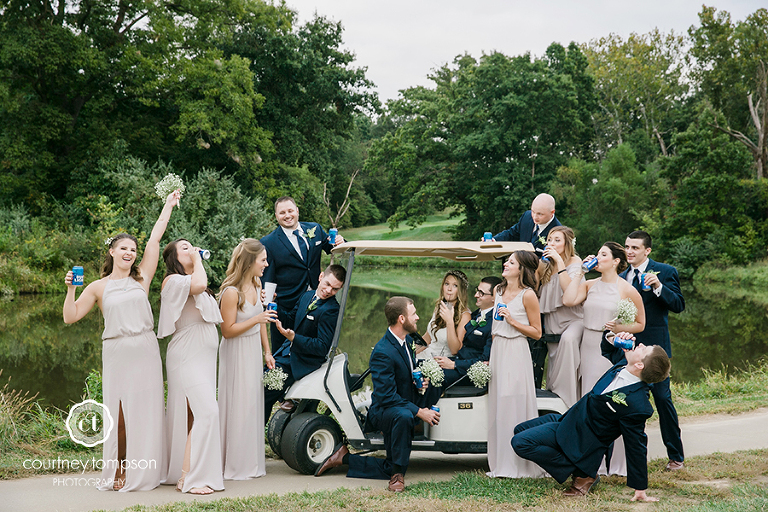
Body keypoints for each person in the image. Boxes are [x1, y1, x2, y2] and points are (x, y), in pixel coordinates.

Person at [62, 190, 180, 492]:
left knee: (147, 410)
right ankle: (120, 468)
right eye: (124, 248)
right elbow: (70, 317)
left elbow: (155, 240)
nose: (130, 252)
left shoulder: (142, 279)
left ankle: (146, 469)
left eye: (133, 249)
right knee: (121, 414)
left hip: (145, 348)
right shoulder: (98, 287)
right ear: (112, 252)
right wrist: (70, 290)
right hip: (116, 352)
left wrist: (167, 205)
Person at [512, 331, 670, 502]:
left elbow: (636, 446)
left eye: (644, 349)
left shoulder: (638, 405)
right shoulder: (624, 364)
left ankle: (582, 471)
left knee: (520, 443)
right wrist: (612, 337)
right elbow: (607, 348)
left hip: (582, 438)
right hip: (570, 419)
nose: (640, 344)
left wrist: (640, 488)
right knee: (520, 429)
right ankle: (580, 467)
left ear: (640, 366)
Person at [313, 296, 441, 492]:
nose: (417, 317)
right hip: (384, 411)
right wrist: (419, 412)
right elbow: (387, 397)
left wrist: (419, 383)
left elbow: (404, 376)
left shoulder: (406, 341)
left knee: (438, 382)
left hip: (400, 402)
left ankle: (345, 457)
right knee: (405, 415)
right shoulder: (383, 351)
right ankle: (396, 475)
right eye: (413, 314)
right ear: (401, 318)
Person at [562, 241, 645, 476]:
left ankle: (617, 463)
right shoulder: (590, 284)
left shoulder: (626, 289)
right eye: (597, 253)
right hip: (588, 346)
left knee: (613, 401)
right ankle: (591, 463)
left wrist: (619, 327)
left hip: (609, 346)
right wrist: (580, 272)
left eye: (603, 254)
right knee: (589, 400)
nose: (597, 257)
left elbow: (641, 323)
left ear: (616, 261)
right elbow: (568, 300)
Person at [158, 239, 224, 495]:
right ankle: (188, 479)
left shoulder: (196, 282)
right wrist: (197, 260)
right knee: (208, 412)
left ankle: (196, 471)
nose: (192, 249)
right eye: (184, 247)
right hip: (186, 355)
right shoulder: (173, 281)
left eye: (192, 246)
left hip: (204, 359)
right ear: (174, 257)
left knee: (199, 415)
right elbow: (200, 284)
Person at [622, 230, 686, 471]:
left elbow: (678, 305)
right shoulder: (620, 276)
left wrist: (659, 286)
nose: (629, 251)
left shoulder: (666, 272)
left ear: (647, 250)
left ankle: (676, 456)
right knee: (627, 403)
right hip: (627, 349)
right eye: (627, 247)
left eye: (635, 248)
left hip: (655, 349)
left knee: (662, 400)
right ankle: (630, 458)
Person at [217, 239, 278, 480]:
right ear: (250, 261)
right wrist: (257, 318)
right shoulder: (231, 293)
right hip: (235, 350)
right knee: (237, 402)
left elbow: (261, 321)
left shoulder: (257, 282)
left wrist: (267, 351)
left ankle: (250, 460)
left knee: (252, 403)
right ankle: (233, 463)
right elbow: (228, 331)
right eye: (262, 260)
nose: (266, 264)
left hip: (253, 349)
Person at [260, 196, 345, 352]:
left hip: (319, 303)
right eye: (282, 212)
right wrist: (268, 302)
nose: (287, 215)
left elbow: (331, 247)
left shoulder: (315, 230)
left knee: (314, 349)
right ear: (276, 216)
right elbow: (267, 277)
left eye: (290, 211)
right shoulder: (268, 242)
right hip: (286, 307)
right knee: (282, 352)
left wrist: (342, 242)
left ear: (297, 211)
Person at [487, 251, 544, 478]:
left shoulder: (528, 295)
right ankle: (500, 463)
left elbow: (537, 332)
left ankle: (519, 463)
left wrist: (512, 321)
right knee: (498, 403)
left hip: (516, 350)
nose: (506, 264)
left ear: (521, 269)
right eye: (507, 261)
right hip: (498, 349)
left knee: (513, 401)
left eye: (511, 262)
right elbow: (493, 327)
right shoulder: (497, 291)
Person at [263, 264, 346, 420]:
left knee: (265, 391)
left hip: (301, 362)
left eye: (335, 289)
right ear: (321, 277)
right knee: (260, 386)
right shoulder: (307, 296)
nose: (329, 291)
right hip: (285, 354)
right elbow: (289, 319)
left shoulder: (331, 310)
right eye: (328, 284)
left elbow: (322, 347)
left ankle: (255, 436)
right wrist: (274, 304)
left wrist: (295, 338)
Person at [537, 226, 584, 407]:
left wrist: (559, 262)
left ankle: (570, 402)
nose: (552, 243)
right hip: (553, 321)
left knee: (568, 340)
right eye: (550, 240)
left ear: (567, 244)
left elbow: (569, 291)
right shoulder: (546, 264)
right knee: (554, 361)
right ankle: (556, 402)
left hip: (574, 320)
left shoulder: (575, 262)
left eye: (557, 240)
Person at [434, 276, 502, 387]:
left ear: (495, 298)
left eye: (481, 293)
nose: (476, 295)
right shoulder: (476, 315)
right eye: (477, 291)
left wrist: (454, 364)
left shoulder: (495, 322)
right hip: (459, 361)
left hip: (468, 372)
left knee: (435, 377)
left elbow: (485, 360)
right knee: (424, 367)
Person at [416, 270, 472, 359]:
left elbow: (455, 350)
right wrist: (410, 354)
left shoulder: (465, 315)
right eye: (446, 284)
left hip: (442, 363)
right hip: (425, 356)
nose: (449, 289)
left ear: (461, 290)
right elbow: (427, 339)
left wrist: (450, 321)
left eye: (455, 285)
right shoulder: (439, 307)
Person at [493, 193, 561, 254]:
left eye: (540, 214)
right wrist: (493, 241)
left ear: (552, 212)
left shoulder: (558, 231)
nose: (534, 217)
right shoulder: (526, 217)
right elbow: (512, 234)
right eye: (533, 211)